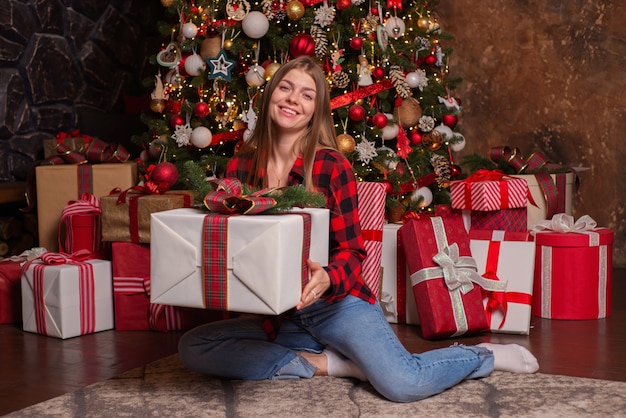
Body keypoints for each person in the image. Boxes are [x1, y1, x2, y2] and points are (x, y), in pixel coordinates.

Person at [178, 55, 539, 403]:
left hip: (336, 306)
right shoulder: (243, 163)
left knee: (404, 383)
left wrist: (327, 278)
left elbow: (353, 252)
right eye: (285, 88)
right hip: (278, 313)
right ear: (270, 93)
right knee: (194, 347)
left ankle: (482, 356)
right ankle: (329, 364)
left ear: (316, 110)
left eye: (306, 95)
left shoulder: (330, 165)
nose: (292, 100)